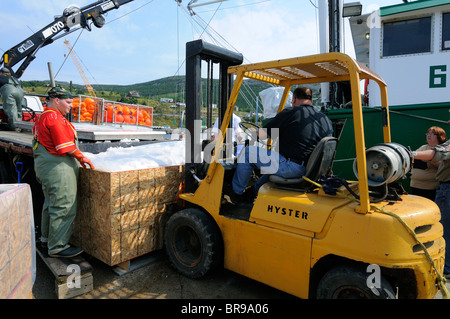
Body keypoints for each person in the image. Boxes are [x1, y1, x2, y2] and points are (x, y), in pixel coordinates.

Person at [228, 86, 333, 204]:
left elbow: (262, 135)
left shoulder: (292, 112)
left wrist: (254, 134)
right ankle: (252, 194)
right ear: (311, 100)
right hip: (311, 170)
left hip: (293, 167)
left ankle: (236, 194)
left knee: (248, 153)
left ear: (293, 99)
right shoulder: (324, 118)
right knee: (273, 166)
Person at [33, 87, 95, 258]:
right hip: (57, 167)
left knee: (50, 203)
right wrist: (82, 158)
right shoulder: (53, 117)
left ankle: (46, 239)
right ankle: (58, 246)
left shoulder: (44, 116)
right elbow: (63, 145)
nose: (71, 106)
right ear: (56, 101)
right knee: (64, 205)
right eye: (68, 102)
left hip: (45, 165)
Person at [412, 138, 450, 276]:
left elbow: (439, 153)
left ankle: (445, 268)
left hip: (447, 189)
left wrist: (410, 154)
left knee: (444, 230)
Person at [410, 126, 447, 200]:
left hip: (430, 189)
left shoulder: (442, 149)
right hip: (415, 186)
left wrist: (427, 159)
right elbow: (413, 158)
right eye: (427, 133)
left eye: (432, 134)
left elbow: (441, 164)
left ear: (440, 136)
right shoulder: (423, 147)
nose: (428, 135)